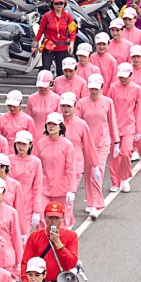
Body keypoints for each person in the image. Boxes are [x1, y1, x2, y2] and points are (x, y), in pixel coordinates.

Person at [77, 74, 119, 215]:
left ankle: (96, 204)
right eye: (91, 89)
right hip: (87, 144)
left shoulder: (108, 102)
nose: (93, 91)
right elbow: (77, 124)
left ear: (101, 87)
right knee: (89, 173)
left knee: (97, 173)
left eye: (96, 88)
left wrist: (116, 141)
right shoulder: (82, 103)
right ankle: (90, 202)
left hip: (102, 144)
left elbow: (112, 122)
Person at [59, 91, 97, 227]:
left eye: (69, 106)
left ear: (75, 106)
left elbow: (89, 146)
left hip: (75, 167)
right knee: (61, 198)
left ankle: (67, 225)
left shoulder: (81, 125)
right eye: (63, 106)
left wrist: (95, 165)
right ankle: (66, 221)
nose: (66, 109)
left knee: (69, 197)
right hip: (58, 168)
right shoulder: (55, 123)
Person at [33, 112, 76, 228]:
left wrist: (71, 190)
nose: (51, 127)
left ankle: (61, 243)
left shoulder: (67, 145)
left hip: (61, 189)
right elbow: (36, 166)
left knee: (60, 220)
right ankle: (43, 244)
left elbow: (71, 168)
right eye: (49, 124)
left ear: (60, 126)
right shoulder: (41, 144)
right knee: (43, 219)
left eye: (54, 124)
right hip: (44, 188)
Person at [108, 62, 141, 193]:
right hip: (115, 127)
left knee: (125, 153)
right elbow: (109, 108)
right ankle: (115, 182)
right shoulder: (113, 88)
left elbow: (139, 109)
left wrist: (139, 129)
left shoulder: (137, 89)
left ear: (131, 75)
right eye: (120, 77)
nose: (122, 79)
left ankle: (124, 178)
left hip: (129, 126)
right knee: (114, 156)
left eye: (125, 77)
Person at [8, 130, 44, 235]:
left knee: (23, 237)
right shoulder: (8, 160)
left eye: (24, 144)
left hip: (26, 206)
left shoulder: (36, 162)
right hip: (10, 203)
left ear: (30, 145)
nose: (21, 147)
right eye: (18, 143)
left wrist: (36, 210)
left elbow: (37, 186)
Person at [33, 0, 77, 73]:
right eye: (57, 3)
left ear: (64, 4)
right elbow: (41, 30)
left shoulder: (68, 16)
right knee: (45, 70)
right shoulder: (47, 16)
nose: (59, 5)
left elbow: (72, 31)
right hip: (49, 47)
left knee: (61, 72)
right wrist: (35, 42)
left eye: (61, 3)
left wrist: (71, 44)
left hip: (62, 48)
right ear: (53, 4)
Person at [90, 32, 118, 97]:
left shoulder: (112, 61)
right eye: (99, 44)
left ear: (108, 44)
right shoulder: (91, 58)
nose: (101, 47)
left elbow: (114, 81)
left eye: (104, 44)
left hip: (107, 94)